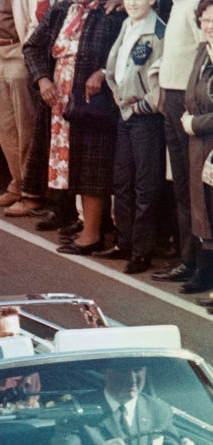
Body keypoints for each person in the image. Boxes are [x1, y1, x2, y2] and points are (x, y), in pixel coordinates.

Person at [23, 0, 126, 256]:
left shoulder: (112, 13)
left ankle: (92, 234)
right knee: (69, 164)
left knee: (93, 165)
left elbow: (123, 52)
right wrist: (42, 78)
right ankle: (81, 224)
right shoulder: (62, 9)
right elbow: (32, 47)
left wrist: (103, 72)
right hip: (58, 98)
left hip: (92, 102)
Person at [96, 0, 166, 274]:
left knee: (145, 186)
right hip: (125, 113)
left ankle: (141, 251)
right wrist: (115, 90)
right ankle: (123, 241)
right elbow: (114, 65)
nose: (134, 2)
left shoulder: (158, 33)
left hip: (145, 117)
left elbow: (161, 81)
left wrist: (141, 106)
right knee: (121, 181)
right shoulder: (127, 24)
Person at [51, 363, 200, 445]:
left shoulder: (159, 410)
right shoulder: (75, 413)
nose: (131, 379)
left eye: (137, 370)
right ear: (105, 372)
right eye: (122, 371)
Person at [152, 0, 203, 284]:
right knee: (181, 185)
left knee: (193, 185)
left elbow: (206, 47)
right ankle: (188, 257)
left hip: (187, 95)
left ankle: (199, 262)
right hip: (172, 93)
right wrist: (162, 87)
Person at [0, 0, 45, 216]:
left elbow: (36, 20)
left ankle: (31, 193)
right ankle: (17, 183)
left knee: (25, 127)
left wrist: (27, 48)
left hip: (18, 50)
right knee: (5, 127)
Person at [179, 0, 213, 294]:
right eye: (205, 20)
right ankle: (205, 272)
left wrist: (195, 123)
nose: (210, 26)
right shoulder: (203, 51)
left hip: (205, 134)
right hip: (199, 141)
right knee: (200, 205)